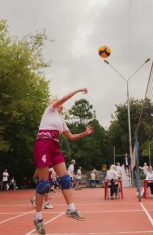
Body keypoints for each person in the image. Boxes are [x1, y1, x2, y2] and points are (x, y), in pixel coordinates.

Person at [32, 88, 95, 235]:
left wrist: (85, 133)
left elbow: (71, 137)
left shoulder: (61, 121)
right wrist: (78, 90)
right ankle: (38, 218)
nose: (61, 104)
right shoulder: (50, 110)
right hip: (43, 144)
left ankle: (71, 208)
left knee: (66, 178)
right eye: (58, 101)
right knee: (44, 184)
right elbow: (63, 99)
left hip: (54, 146)